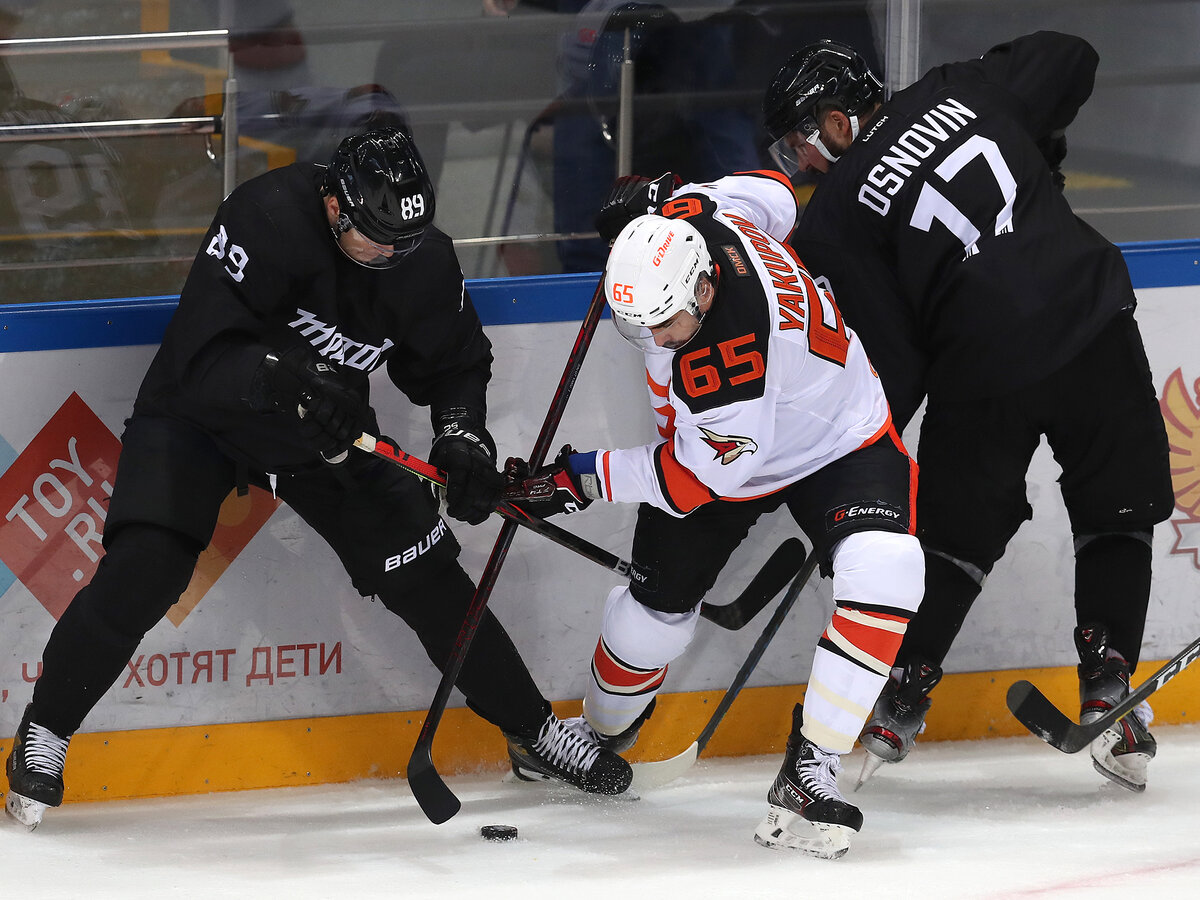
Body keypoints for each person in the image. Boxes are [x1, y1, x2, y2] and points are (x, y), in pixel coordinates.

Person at [2, 127, 632, 830]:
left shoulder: (419, 260)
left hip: (326, 436)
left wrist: (463, 439)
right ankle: (47, 730)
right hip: (199, 416)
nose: (391, 256)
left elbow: (456, 363)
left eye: (405, 243)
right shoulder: (263, 217)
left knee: (429, 578)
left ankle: (535, 730)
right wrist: (290, 379)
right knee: (145, 566)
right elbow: (205, 352)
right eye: (376, 240)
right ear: (334, 204)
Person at [761, 33, 1174, 792]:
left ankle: (905, 688)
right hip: (1084, 318)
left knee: (953, 537)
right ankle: (1109, 681)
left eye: (800, 139)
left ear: (839, 118)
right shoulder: (961, 87)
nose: (804, 160)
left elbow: (895, 355)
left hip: (979, 365)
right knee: (1116, 510)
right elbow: (1074, 55)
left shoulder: (835, 221)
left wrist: (865, 448)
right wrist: (1032, 137)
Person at [503, 170, 925, 858]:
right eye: (635, 323)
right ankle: (600, 731)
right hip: (733, 442)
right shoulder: (698, 214)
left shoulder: (724, 364)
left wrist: (579, 477)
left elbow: (687, 484)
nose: (654, 338)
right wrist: (668, 194)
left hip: (837, 436)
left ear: (704, 288)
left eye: (665, 323)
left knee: (888, 569)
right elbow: (780, 195)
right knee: (651, 622)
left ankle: (811, 767)